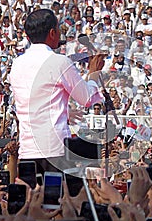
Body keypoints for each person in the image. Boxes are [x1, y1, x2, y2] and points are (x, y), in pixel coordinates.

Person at [10, 9, 104, 173]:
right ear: (52, 33)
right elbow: (87, 98)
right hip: (55, 149)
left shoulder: (17, 64)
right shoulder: (59, 62)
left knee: (32, 197)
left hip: (27, 149)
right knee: (59, 196)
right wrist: (93, 73)